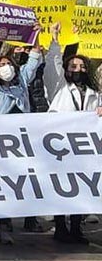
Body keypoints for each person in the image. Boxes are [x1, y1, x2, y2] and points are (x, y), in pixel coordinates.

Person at [0, 30, 43, 244]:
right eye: (1, 65)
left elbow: (33, 60)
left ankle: (5, 226)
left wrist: (36, 35)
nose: (5, 67)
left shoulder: (21, 83)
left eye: (8, 64)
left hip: (17, 145)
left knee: (11, 185)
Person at [43, 24, 95, 244]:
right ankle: (60, 226)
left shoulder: (94, 93)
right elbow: (53, 66)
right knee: (62, 186)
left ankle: (76, 227)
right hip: (61, 146)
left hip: (84, 148)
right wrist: (56, 40)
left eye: (82, 66)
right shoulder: (59, 88)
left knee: (81, 187)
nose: (78, 69)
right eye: (74, 66)